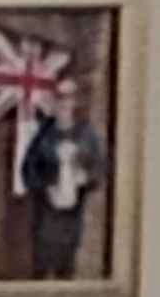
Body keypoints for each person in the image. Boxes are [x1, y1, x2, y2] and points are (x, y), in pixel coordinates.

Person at [18, 82, 110, 281]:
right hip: (45, 216)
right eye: (59, 97)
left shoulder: (87, 136)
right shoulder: (43, 136)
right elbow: (28, 171)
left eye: (68, 98)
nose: (64, 103)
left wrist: (85, 177)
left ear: (75, 102)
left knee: (66, 264)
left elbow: (99, 170)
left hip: (72, 217)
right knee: (41, 264)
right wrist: (45, 187)